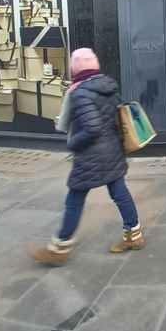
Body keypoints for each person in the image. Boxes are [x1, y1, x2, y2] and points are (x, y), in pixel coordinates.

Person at [32, 48, 145, 266]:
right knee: (119, 193)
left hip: (91, 155)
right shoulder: (108, 86)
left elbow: (92, 127)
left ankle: (59, 248)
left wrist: (73, 143)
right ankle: (134, 235)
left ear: (76, 67)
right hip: (112, 150)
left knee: (74, 200)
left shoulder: (80, 92)